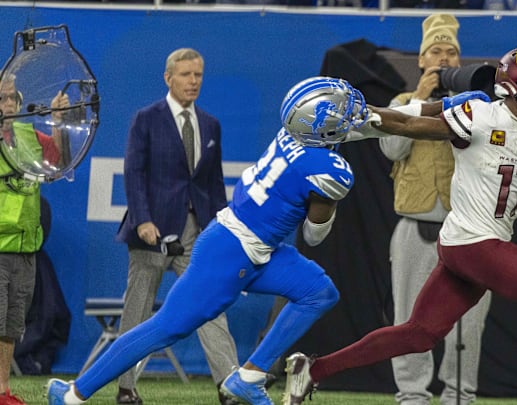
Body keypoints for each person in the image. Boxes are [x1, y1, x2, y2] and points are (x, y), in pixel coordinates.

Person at [45, 76, 373, 405]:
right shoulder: (328, 170)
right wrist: (327, 207)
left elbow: (368, 125)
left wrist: (420, 113)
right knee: (164, 328)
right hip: (230, 252)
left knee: (318, 291)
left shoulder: (295, 132)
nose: (348, 114)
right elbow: (315, 236)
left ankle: (250, 376)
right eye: (338, 110)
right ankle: (74, 395)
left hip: (258, 247)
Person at [284, 46, 517, 405]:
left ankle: (312, 371)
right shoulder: (482, 115)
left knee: (418, 334)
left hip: (474, 244)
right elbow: (411, 124)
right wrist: (361, 122)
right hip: (474, 243)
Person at [112, 48, 239, 405]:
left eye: (198, 74)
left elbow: (213, 185)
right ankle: (125, 387)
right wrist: (143, 220)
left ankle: (229, 386)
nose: (193, 81)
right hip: (152, 235)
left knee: (210, 307)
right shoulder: (146, 119)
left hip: (198, 235)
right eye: (185, 74)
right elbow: (133, 173)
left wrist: (224, 231)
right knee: (138, 312)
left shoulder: (210, 124)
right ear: (168, 78)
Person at [378, 13, 491, 405]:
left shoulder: (479, 107)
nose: (444, 59)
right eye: (436, 52)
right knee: (410, 317)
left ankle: (460, 394)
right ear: (422, 60)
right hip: (415, 224)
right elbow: (392, 150)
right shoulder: (400, 104)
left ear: (460, 63)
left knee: (469, 322)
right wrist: (418, 102)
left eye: (451, 53)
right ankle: (412, 394)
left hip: (467, 228)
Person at [0, 74, 68, 405]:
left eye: (13, 97)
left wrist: (57, 122)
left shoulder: (28, 136)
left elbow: (58, 161)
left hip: (25, 248)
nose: (9, 104)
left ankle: (3, 391)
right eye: (2, 98)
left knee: (11, 327)